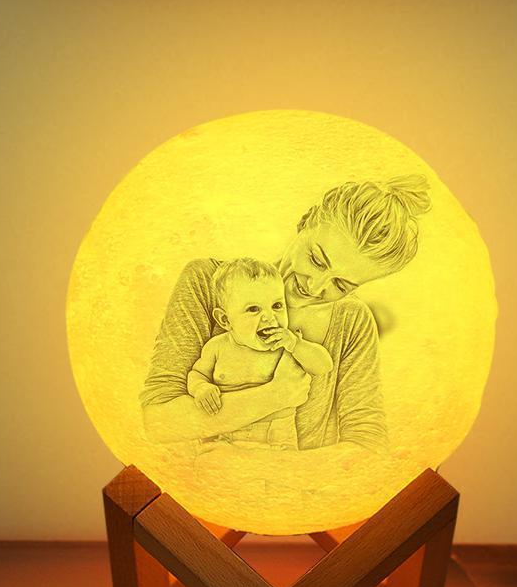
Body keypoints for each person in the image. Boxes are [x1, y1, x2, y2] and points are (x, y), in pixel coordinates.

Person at [140, 175, 431, 453]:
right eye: (316, 260)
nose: (314, 287)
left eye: (341, 285)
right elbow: (157, 422)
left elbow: (368, 446)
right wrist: (275, 396)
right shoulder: (208, 282)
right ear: (305, 222)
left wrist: (270, 464)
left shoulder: (352, 321)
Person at [186, 257, 332, 450]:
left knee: (281, 466)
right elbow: (197, 374)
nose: (270, 317)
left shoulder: (286, 345)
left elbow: (324, 366)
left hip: (276, 439)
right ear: (225, 320)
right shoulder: (216, 347)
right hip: (225, 435)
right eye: (253, 309)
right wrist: (201, 388)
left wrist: (296, 345)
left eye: (277, 306)